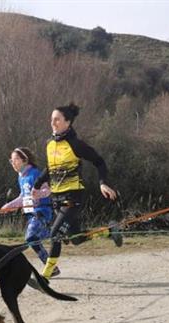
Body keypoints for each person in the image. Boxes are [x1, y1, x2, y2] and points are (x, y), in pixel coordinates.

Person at [32, 102, 122, 279]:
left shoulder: (75, 144)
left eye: (57, 119)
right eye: (51, 119)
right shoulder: (49, 144)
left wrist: (103, 182)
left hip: (73, 197)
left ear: (68, 122)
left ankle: (47, 275)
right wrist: (36, 185)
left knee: (55, 234)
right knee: (76, 238)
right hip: (56, 198)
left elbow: (99, 161)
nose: (53, 123)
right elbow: (50, 169)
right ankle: (109, 231)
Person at [1, 147, 59, 276]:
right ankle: (52, 267)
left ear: (25, 160)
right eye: (11, 160)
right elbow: (22, 197)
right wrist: (8, 206)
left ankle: (57, 234)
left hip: (41, 211)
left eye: (16, 159)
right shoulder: (21, 177)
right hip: (30, 214)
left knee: (30, 237)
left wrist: (37, 194)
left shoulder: (35, 173)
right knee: (32, 240)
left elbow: (48, 191)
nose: (13, 163)